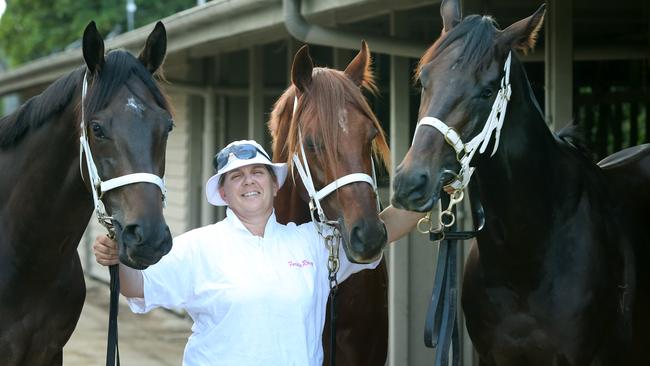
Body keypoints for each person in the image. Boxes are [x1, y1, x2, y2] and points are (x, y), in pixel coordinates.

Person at [94, 139, 423, 366]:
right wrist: (116, 261)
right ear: (223, 192)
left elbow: (388, 227)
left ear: (275, 184)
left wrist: (433, 189)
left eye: (257, 172)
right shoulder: (198, 247)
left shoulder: (312, 241)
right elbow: (138, 285)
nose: (248, 181)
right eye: (236, 176)